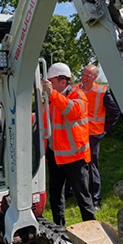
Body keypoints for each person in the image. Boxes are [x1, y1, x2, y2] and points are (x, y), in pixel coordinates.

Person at [42, 62, 96, 227]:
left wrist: (52, 95)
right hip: (55, 156)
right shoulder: (52, 99)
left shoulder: (78, 95)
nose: (48, 85)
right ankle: (60, 229)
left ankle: (93, 230)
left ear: (62, 82)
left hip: (75, 157)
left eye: (51, 81)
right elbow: (45, 122)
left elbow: (71, 112)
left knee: (83, 198)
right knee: (56, 196)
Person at [74, 64, 120, 209]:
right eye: (83, 74)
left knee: (92, 165)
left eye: (88, 75)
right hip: (76, 133)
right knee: (75, 163)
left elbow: (115, 112)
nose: (84, 77)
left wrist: (105, 130)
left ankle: (95, 200)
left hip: (93, 134)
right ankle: (74, 192)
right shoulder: (75, 89)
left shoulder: (101, 91)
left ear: (95, 77)